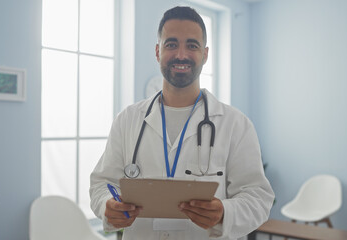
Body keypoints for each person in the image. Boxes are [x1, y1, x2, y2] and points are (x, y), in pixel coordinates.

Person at [90, 6, 274, 240]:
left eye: (192, 45)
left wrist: (225, 213)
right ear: (157, 51)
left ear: (205, 54)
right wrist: (108, 205)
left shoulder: (235, 124)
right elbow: (102, 183)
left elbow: (258, 197)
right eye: (171, 44)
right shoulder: (127, 120)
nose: (181, 55)